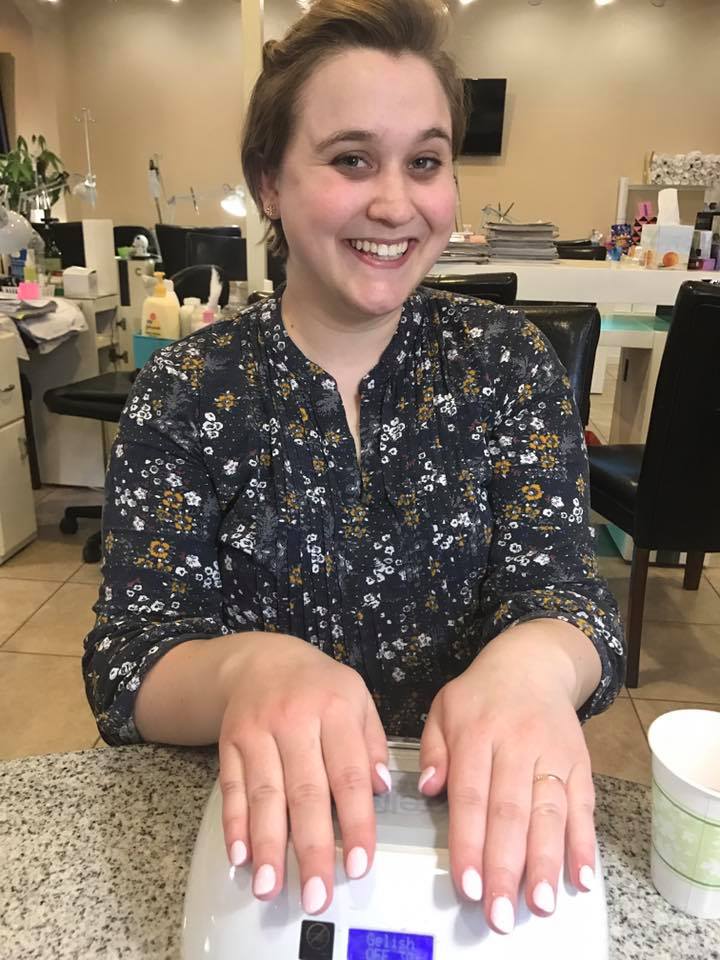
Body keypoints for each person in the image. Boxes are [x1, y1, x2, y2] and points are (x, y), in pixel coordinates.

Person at [83, 0, 624, 936]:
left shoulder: (507, 363)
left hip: (468, 848)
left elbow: (567, 599)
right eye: (351, 160)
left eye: (426, 162)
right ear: (269, 181)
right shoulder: (186, 390)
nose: (396, 204)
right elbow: (129, 661)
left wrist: (534, 669)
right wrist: (248, 669)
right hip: (259, 852)